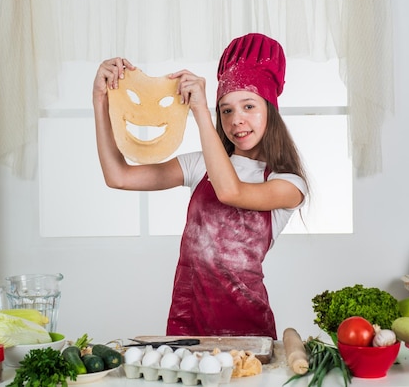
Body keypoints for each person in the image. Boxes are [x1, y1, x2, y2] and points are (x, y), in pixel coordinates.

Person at [92, 33, 309, 339]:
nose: (236, 121)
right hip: (187, 326)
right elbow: (119, 176)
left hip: (248, 331)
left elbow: (230, 191)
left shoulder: (287, 183)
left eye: (249, 106)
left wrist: (201, 112)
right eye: (226, 110)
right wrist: (100, 99)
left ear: (270, 110)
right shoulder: (200, 165)